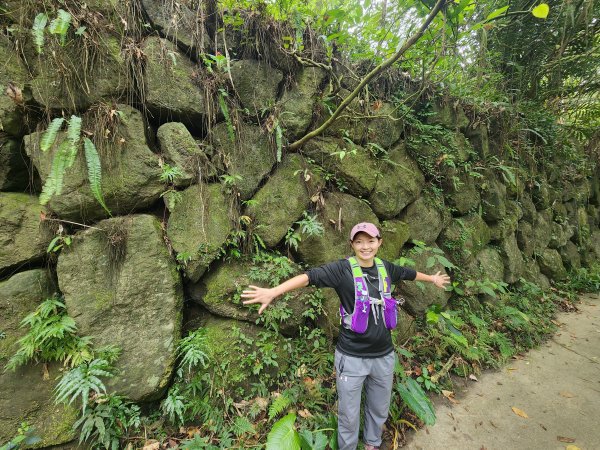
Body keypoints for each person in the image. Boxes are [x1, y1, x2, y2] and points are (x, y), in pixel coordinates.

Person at [241, 222, 450, 450]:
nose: (365, 246)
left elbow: (409, 274)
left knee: (379, 408)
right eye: (359, 241)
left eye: (370, 241)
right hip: (352, 358)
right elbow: (309, 277)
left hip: (384, 356)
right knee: (349, 416)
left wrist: (432, 279)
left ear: (379, 242)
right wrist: (274, 291)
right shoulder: (342, 270)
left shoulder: (385, 268)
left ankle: (372, 444)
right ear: (352, 245)